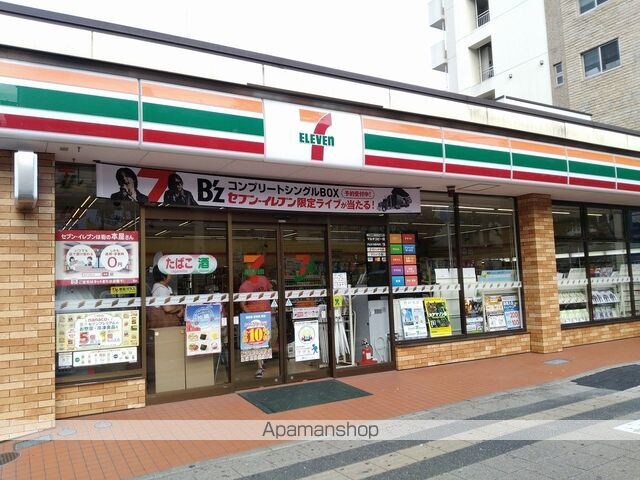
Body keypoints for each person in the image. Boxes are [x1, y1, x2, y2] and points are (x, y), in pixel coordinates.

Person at [239, 260, 276, 378]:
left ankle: (263, 358)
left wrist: (273, 304)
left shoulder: (263, 279)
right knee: (258, 342)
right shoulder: (244, 286)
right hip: (256, 317)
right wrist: (250, 315)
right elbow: (242, 304)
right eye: (248, 269)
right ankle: (260, 367)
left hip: (268, 314)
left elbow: (271, 292)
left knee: (273, 336)